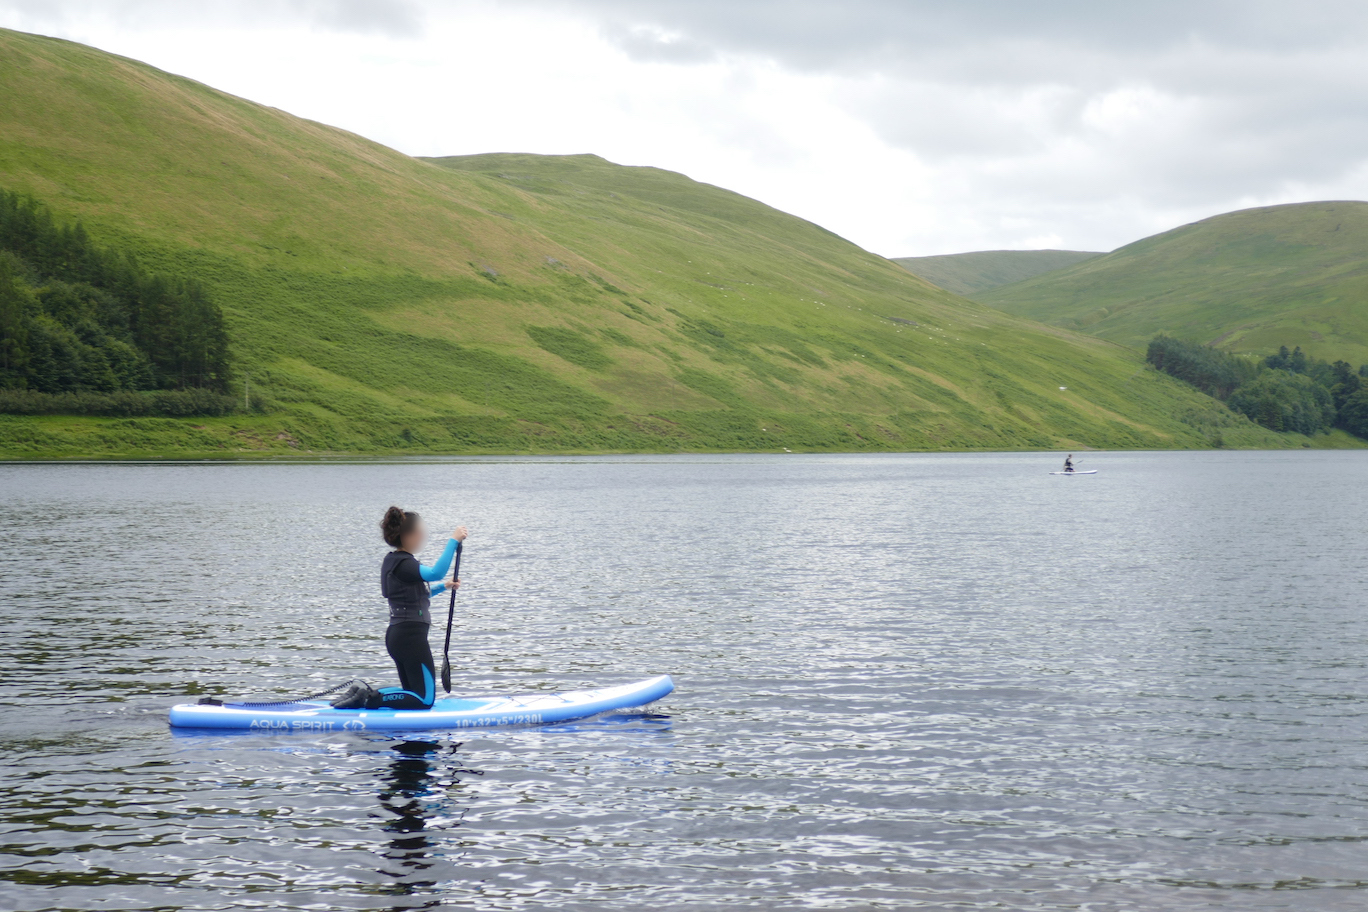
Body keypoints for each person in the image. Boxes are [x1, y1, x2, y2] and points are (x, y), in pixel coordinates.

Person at [332, 507, 467, 710]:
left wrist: (444, 587)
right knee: (424, 700)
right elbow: (436, 572)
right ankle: (370, 698)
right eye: (420, 531)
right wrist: (453, 541)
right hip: (411, 638)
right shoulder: (405, 564)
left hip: (399, 636)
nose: (424, 535)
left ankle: (364, 691)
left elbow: (417, 595)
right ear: (407, 536)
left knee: (413, 695)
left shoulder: (392, 561)